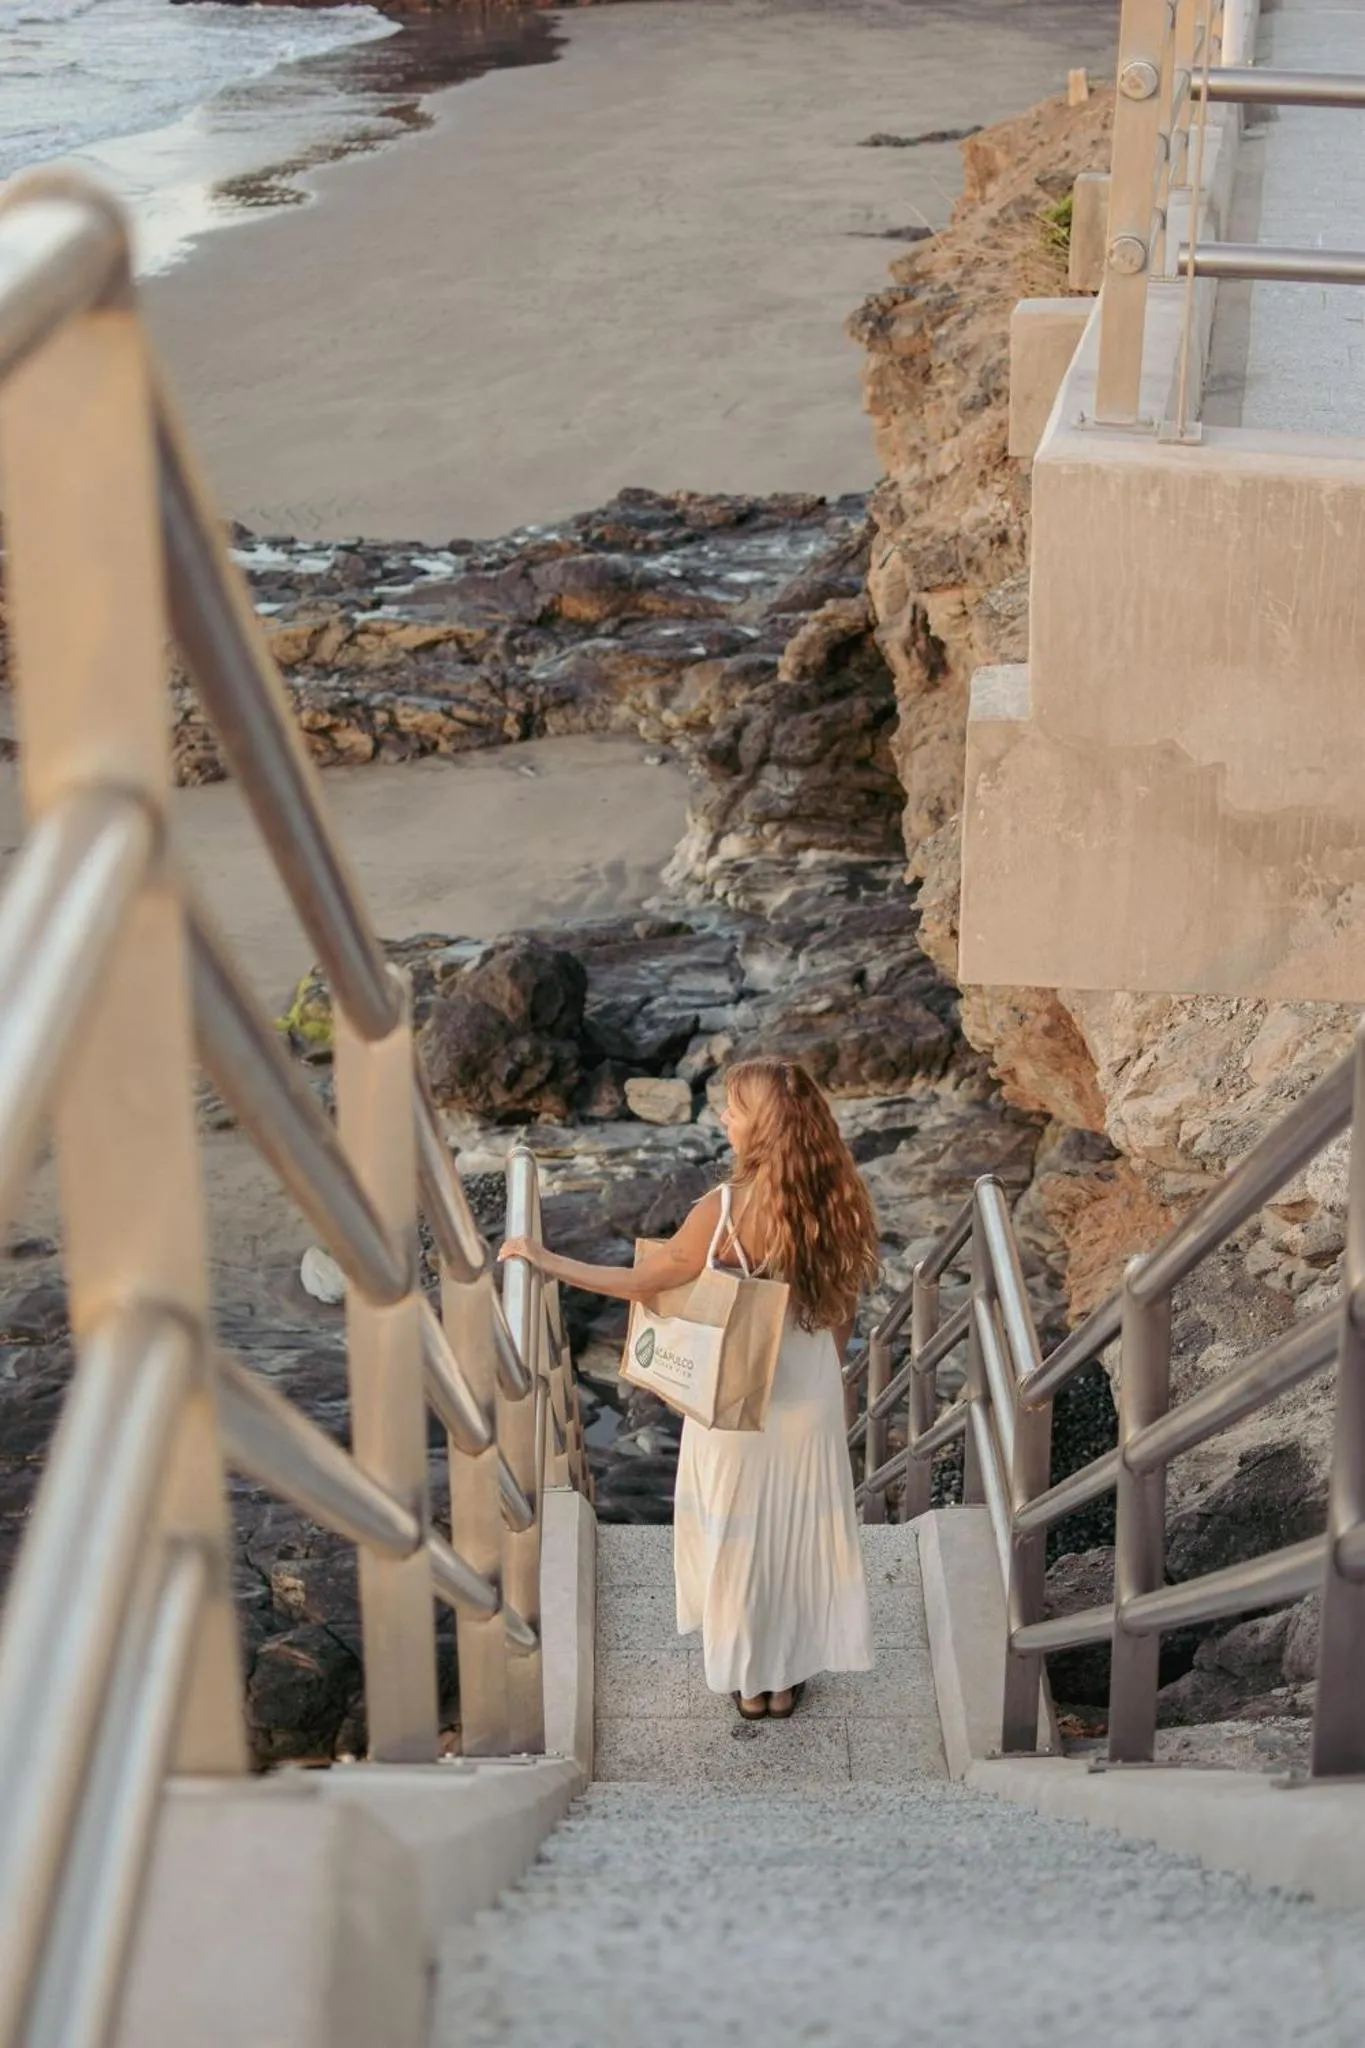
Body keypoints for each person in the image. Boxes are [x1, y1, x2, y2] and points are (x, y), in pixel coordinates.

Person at [498, 1055, 877, 1722]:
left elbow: (647, 1282)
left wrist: (546, 1259)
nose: (723, 1116)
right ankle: (784, 1678)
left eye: (733, 1108)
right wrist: (825, 1379)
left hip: (737, 1394)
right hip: (807, 1385)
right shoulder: (839, 1201)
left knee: (735, 1528)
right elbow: (840, 1313)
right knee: (788, 1530)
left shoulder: (724, 1208)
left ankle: (749, 1681)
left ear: (759, 1126)